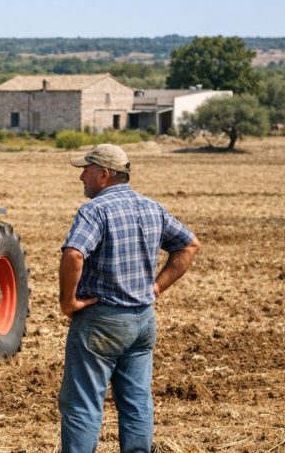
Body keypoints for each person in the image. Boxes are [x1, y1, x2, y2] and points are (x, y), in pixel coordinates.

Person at [58, 143, 201, 452]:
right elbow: (189, 245)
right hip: (143, 321)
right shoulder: (151, 207)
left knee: (82, 404)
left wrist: (68, 302)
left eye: (86, 169)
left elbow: (73, 255)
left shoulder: (95, 210)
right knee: (137, 402)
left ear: (104, 174)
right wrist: (157, 287)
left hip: (102, 321)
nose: (81, 176)